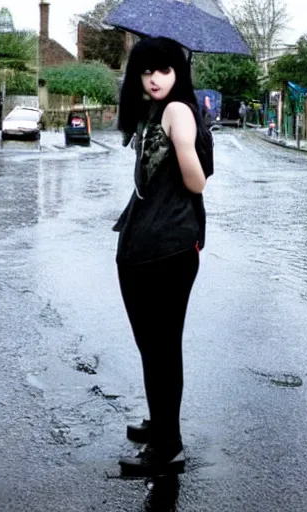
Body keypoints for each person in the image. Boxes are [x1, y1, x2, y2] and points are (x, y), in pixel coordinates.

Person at [112, 37, 213, 478]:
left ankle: (167, 447)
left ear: (179, 73)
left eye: (164, 70)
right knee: (152, 345)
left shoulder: (176, 111)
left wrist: (183, 142)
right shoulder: (153, 110)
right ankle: (161, 421)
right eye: (146, 71)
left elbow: (196, 183)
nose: (154, 79)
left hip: (168, 247)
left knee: (161, 346)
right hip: (145, 241)